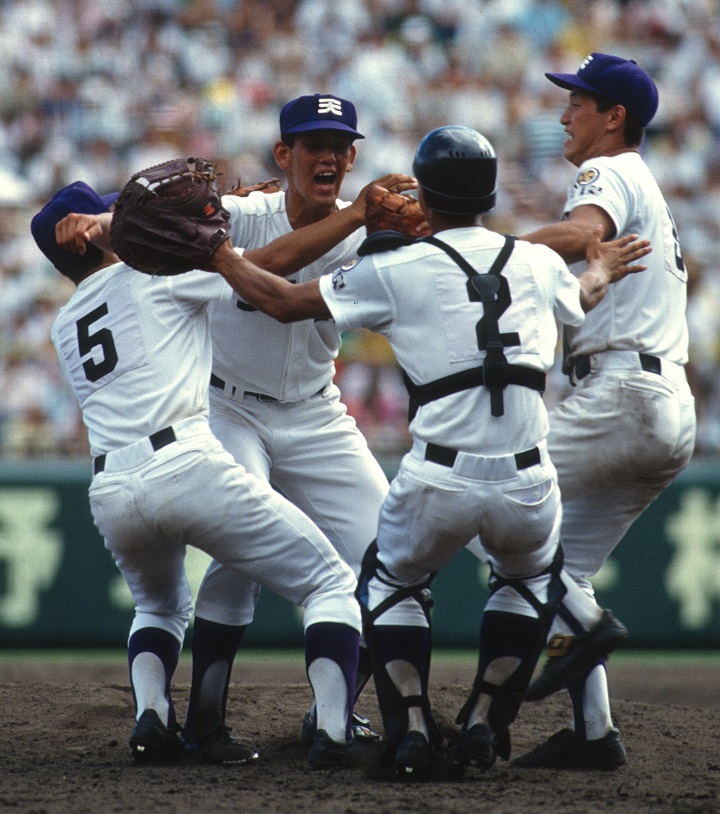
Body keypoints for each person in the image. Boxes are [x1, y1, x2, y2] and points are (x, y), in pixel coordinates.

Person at [198, 125, 650, 779]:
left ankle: (409, 729)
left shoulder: (394, 267)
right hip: (529, 479)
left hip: (441, 474)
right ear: (492, 192)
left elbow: (284, 301)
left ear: (424, 196)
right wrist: (602, 267)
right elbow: (581, 296)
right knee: (525, 585)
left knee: (391, 585)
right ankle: (483, 724)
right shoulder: (537, 261)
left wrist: (219, 254)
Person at [33, 180, 368, 770]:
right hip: (186, 464)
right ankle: (335, 734)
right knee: (331, 584)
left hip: (111, 487)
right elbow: (259, 267)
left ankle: (153, 718)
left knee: (159, 609)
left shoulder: (65, 323)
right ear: (99, 239)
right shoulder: (151, 277)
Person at [187, 93, 421, 753]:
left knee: (390, 554)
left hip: (316, 411)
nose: (328, 156)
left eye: (339, 146)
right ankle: (204, 721)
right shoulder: (238, 214)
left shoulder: (378, 232)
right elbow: (263, 271)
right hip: (229, 405)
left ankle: (334, 715)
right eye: (312, 144)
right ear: (283, 155)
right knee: (241, 545)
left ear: (353, 157)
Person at [513, 53, 697, 770]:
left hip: (622, 392)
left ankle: (587, 626)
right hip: (662, 402)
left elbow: (581, 231)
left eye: (577, 102)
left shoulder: (609, 169)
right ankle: (595, 735)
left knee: (494, 502)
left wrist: (477, 250)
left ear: (613, 116)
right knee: (564, 570)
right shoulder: (645, 181)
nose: (564, 114)